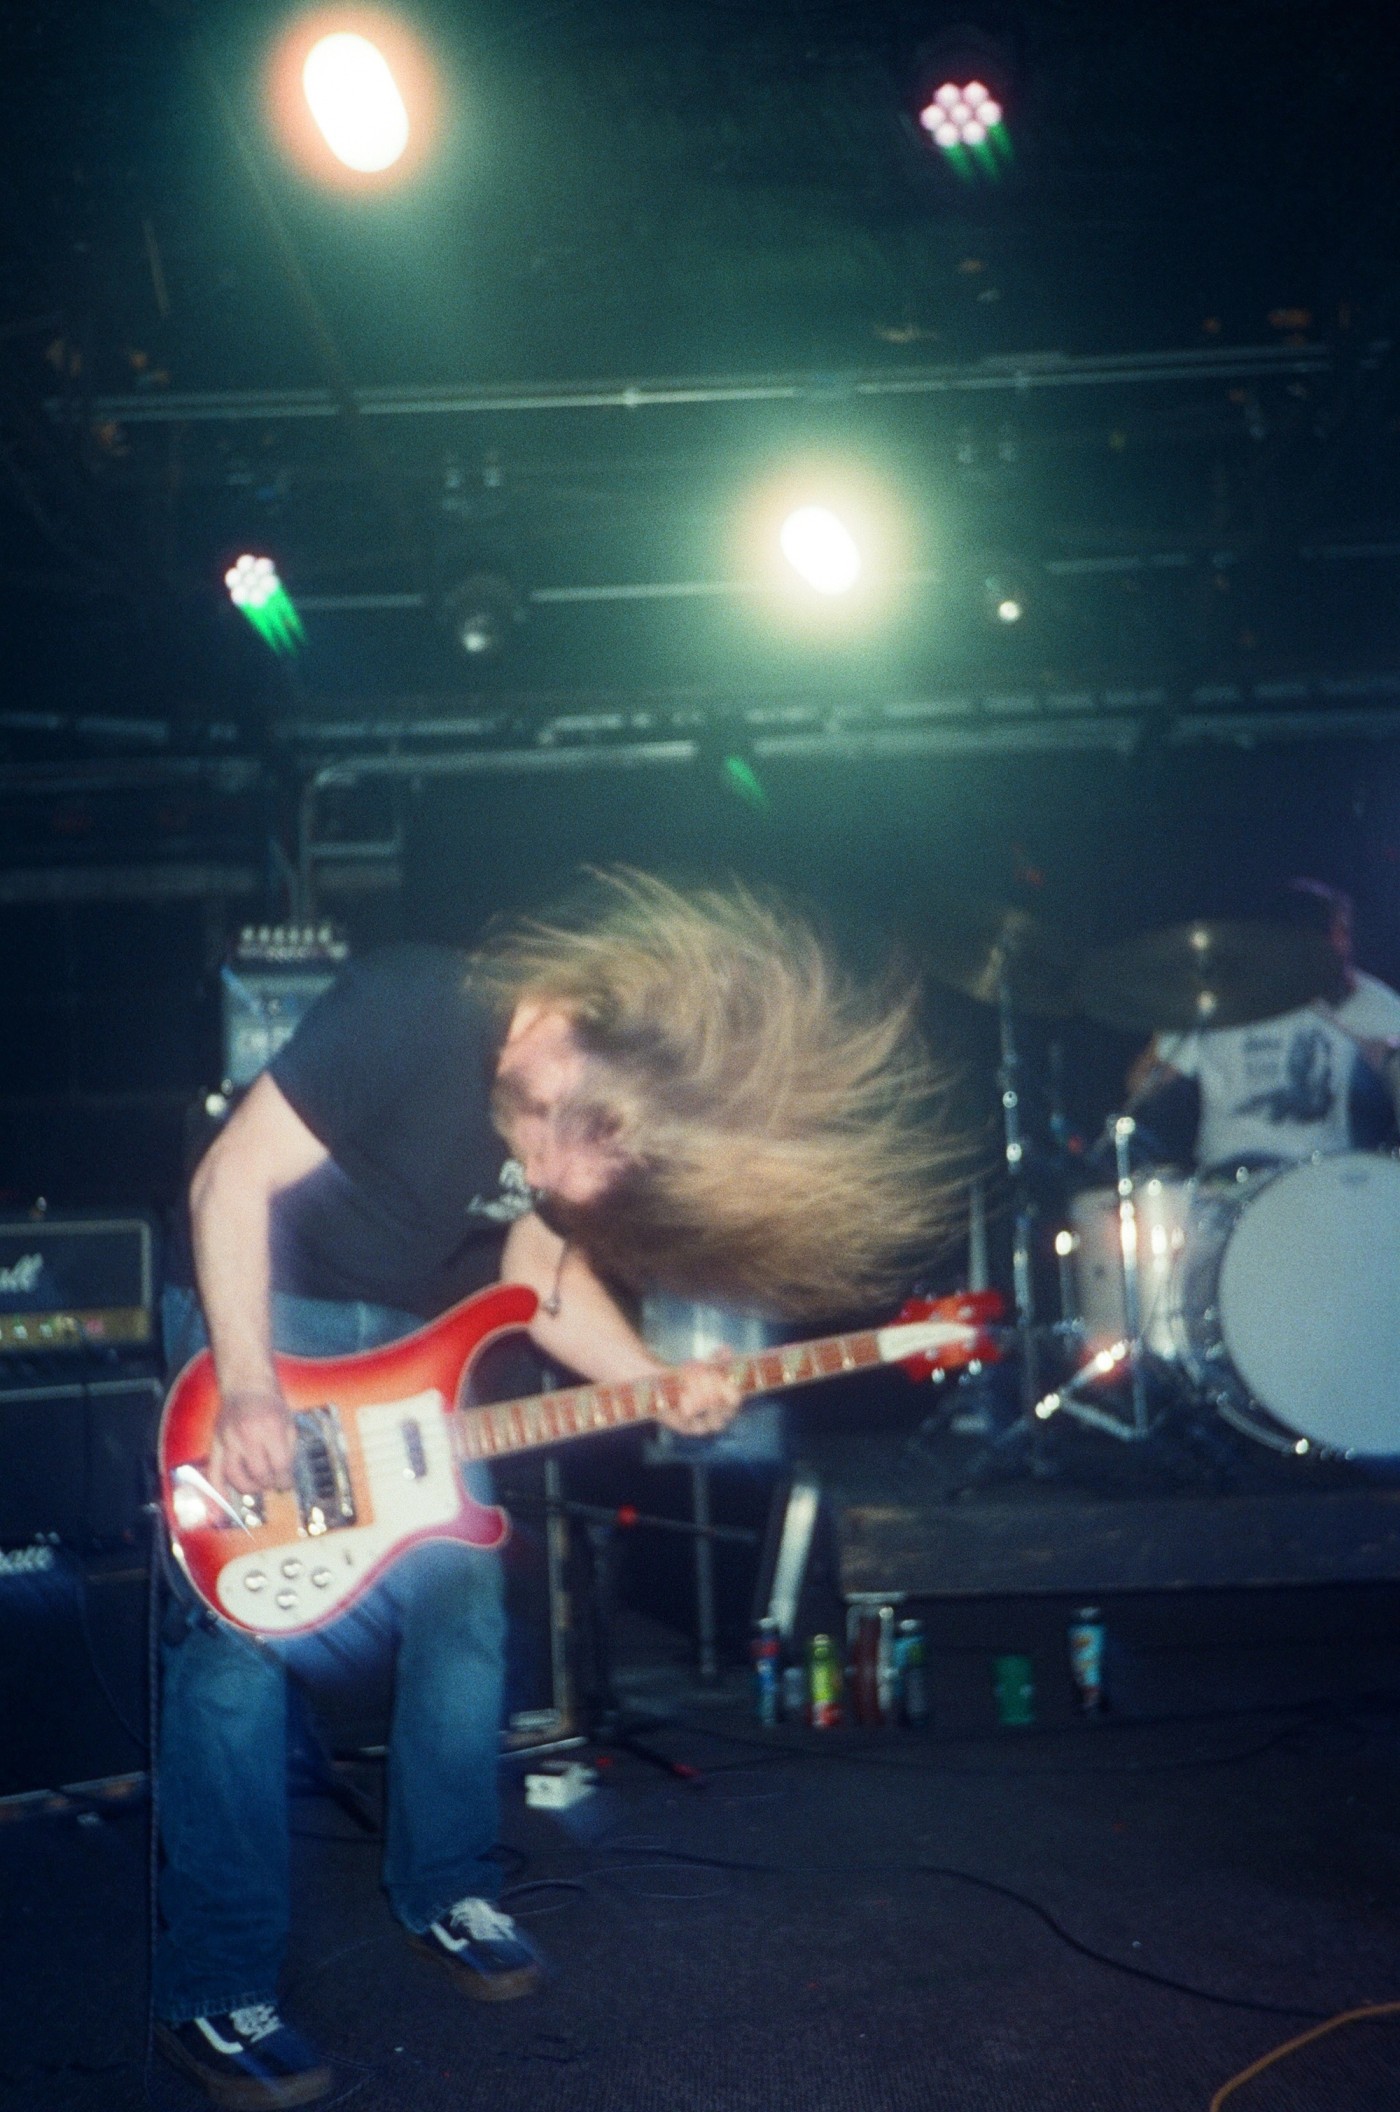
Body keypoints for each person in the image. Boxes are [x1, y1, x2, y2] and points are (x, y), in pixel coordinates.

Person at [154, 869, 956, 2108]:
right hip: (264, 1325)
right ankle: (214, 1985)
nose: (551, 1170)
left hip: (415, 1366)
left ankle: (445, 1889)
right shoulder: (415, 1004)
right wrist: (253, 1388)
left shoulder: (576, 1106)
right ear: (562, 1026)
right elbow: (228, 1182)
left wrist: (650, 1381)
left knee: (468, 1612)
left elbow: (535, 1271)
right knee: (240, 1650)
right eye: (552, 1137)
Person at [1125, 881, 1400, 1173]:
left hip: (1325, 1175)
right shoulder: (1219, 997)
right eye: (1337, 931)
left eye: (1346, 931)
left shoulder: (1360, 998)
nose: (1345, 943)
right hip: (1230, 1173)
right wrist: (1167, 1017)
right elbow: (1139, 1086)